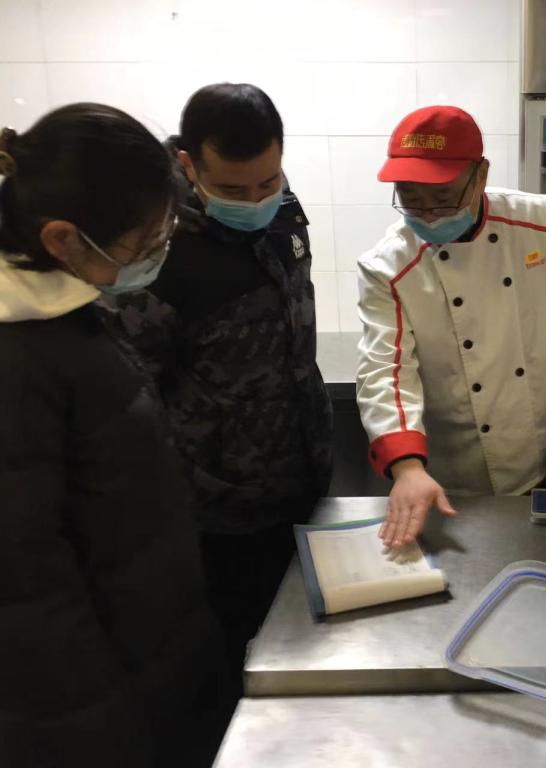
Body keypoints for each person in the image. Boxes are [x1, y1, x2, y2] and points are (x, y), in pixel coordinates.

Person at [0, 105, 231, 767]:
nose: (156, 255)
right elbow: (27, 591)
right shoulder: (18, 360)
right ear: (63, 239)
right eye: (144, 243)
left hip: (153, 660)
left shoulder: (65, 316)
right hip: (100, 711)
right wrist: (106, 733)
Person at [110, 84, 333, 664]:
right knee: (233, 659)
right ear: (189, 164)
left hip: (300, 483)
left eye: (268, 181)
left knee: (308, 647)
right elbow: (134, 395)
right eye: (234, 190)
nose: (255, 199)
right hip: (217, 515)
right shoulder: (156, 249)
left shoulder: (283, 211)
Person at [357, 106, 546, 548]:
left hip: (534, 448)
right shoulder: (386, 266)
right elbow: (386, 371)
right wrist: (407, 467)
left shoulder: (538, 222)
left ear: (480, 175)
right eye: (411, 198)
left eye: (444, 197)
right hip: (448, 471)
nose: (429, 216)